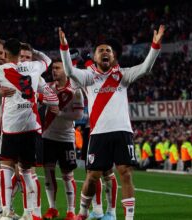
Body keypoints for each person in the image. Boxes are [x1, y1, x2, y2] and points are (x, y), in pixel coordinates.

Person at [59, 25, 165, 220]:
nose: (105, 52)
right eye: (101, 50)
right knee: (93, 177)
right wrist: (64, 48)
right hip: (99, 134)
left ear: (114, 57)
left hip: (123, 131)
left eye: (109, 50)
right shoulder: (89, 77)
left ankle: (128, 218)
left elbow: (146, 67)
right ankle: (82, 212)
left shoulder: (122, 76)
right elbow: (69, 71)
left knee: (125, 173)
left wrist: (155, 46)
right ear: (95, 57)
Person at [0, 38, 59, 220]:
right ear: (20, 53)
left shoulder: (1, 70)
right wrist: (35, 51)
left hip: (11, 128)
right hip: (32, 127)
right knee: (29, 172)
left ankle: (6, 213)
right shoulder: (35, 67)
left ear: (6, 54)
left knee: (6, 170)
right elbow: (47, 60)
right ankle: (36, 214)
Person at [41, 58, 84, 220]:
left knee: (67, 175)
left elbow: (79, 115)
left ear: (66, 70)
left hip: (66, 138)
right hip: (48, 136)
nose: (54, 71)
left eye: (58, 68)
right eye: (53, 68)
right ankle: (52, 208)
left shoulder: (75, 90)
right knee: (48, 172)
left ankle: (71, 211)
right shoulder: (48, 87)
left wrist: (59, 113)